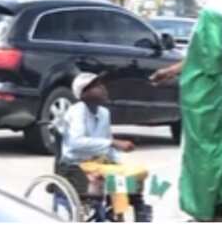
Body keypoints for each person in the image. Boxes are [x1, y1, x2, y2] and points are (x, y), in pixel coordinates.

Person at [151, 0, 222, 221]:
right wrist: (170, 71)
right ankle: (218, 209)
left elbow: (210, 57)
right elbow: (206, 55)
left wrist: (189, 82)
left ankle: (205, 211)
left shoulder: (213, 10)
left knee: (205, 152)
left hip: (209, 93)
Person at [58, 72, 152, 221]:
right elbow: (76, 142)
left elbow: (107, 143)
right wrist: (113, 143)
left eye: (102, 85)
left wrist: (118, 160)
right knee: (116, 176)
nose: (103, 89)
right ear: (84, 93)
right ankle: (117, 212)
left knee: (137, 172)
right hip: (78, 164)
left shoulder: (104, 113)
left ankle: (128, 209)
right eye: (97, 86)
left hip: (100, 162)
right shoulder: (76, 112)